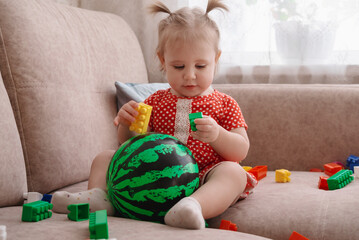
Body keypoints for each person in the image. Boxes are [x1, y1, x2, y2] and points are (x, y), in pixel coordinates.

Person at [52, 0, 257, 230]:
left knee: (233, 173)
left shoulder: (225, 104)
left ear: (216, 60)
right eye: (179, 66)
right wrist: (127, 123)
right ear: (162, 61)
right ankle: (102, 198)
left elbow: (241, 150)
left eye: (200, 66)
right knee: (104, 157)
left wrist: (218, 135)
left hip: (203, 178)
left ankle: (192, 206)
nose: (189, 76)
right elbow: (129, 143)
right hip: (151, 179)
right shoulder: (155, 102)